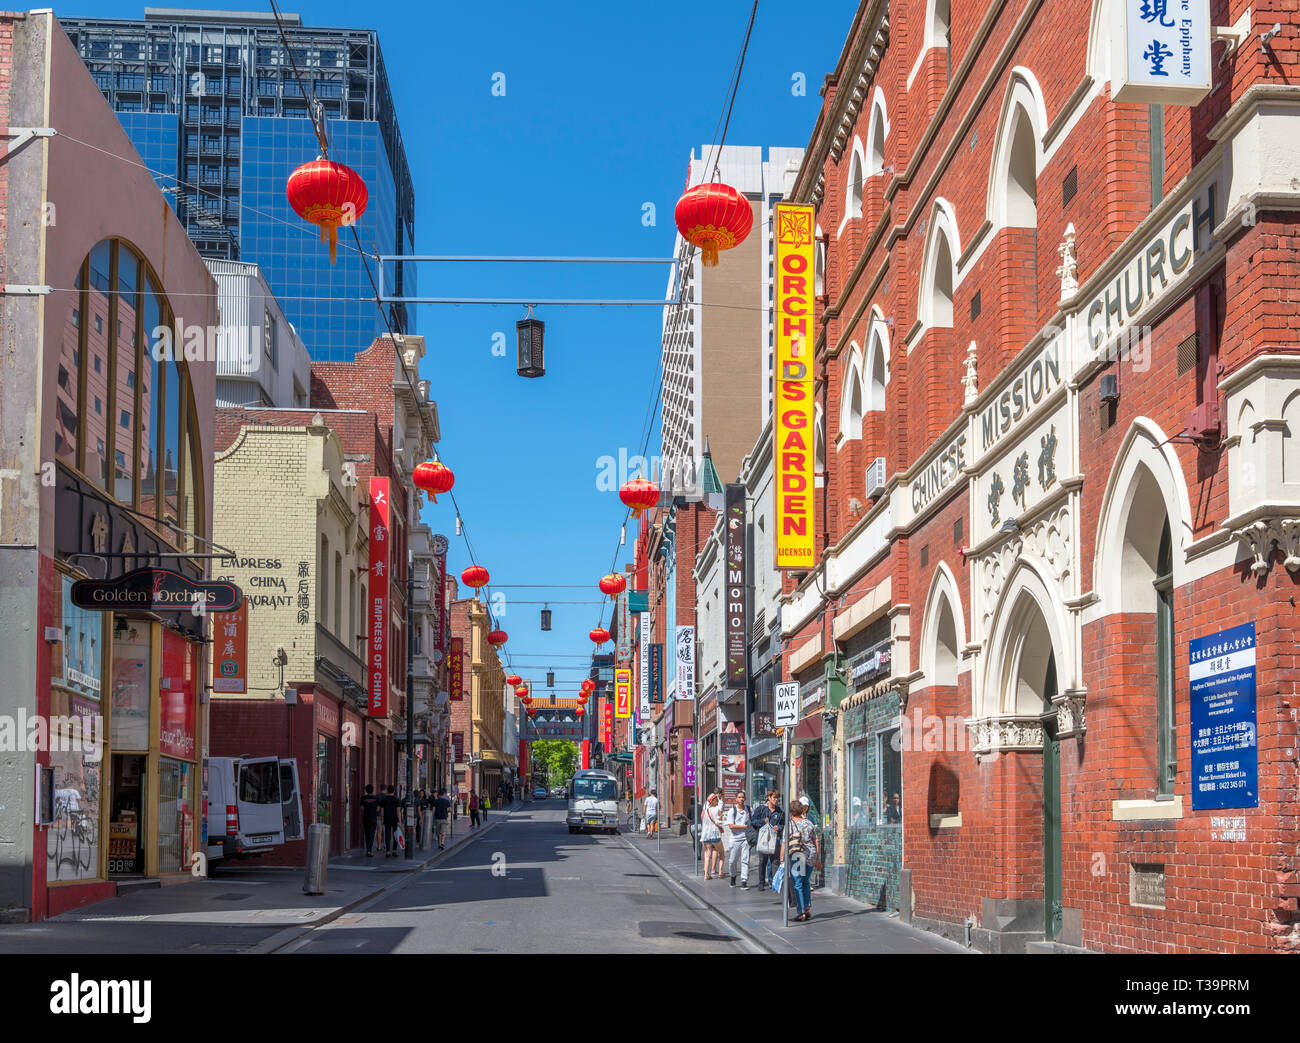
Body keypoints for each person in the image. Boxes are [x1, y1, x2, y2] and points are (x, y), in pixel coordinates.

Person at [781, 799, 819, 922]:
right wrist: (817, 857)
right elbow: (816, 840)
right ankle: (807, 908)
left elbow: (784, 842)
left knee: (797, 883)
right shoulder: (809, 823)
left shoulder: (790, 824)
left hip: (798, 855)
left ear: (791, 812)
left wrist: (782, 857)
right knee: (806, 881)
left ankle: (801, 911)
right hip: (811, 854)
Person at [750, 790, 784, 888]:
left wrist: (779, 828)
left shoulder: (780, 811)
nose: (776, 800)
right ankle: (761, 883)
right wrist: (762, 822)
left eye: (777, 798)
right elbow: (753, 821)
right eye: (774, 797)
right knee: (762, 862)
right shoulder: (761, 809)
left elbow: (784, 824)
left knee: (774, 862)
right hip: (763, 839)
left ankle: (774, 883)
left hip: (774, 840)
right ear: (769, 798)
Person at [725, 792, 751, 889]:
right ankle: (733, 877)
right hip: (735, 839)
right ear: (736, 799)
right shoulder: (732, 810)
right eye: (739, 797)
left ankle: (744, 881)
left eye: (743, 797)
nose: (741, 799)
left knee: (745, 860)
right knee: (732, 861)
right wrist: (745, 826)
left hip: (746, 838)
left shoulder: (749, 809)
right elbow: (731, 826)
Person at [700, 791, 725, 880]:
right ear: (713, 800)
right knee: (721, 852)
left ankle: (706, 874)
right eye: (716, 799)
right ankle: (720, 872)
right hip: (715, 834)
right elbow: (719, 821)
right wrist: (723, 823)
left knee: (707, 854)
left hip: (706, 835)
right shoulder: (717, 809)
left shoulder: (706, 810)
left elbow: (703, 819)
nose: (718, 800)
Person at [360, 783, 381, 857]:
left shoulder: (363, 798)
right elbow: (378, 809)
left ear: (366, 790)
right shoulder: (376, 799)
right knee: (372, 834)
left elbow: (362, 808)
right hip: (373, 818)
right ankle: (369, 850)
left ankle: (368, 849)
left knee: (367, 834)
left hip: (366, 818)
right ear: (373, 790)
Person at [380, 785, 401, 857]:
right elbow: (398, 811)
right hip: (395, 819)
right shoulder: (397, 799)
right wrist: (400, 821)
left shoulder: (384, 799)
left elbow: (382, 811)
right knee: (395, 834)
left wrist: (382, 819)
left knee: (387, 835)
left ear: (387, 791)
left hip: (387, 818)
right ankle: (394, 850)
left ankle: (388, 851)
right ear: (394, 791)